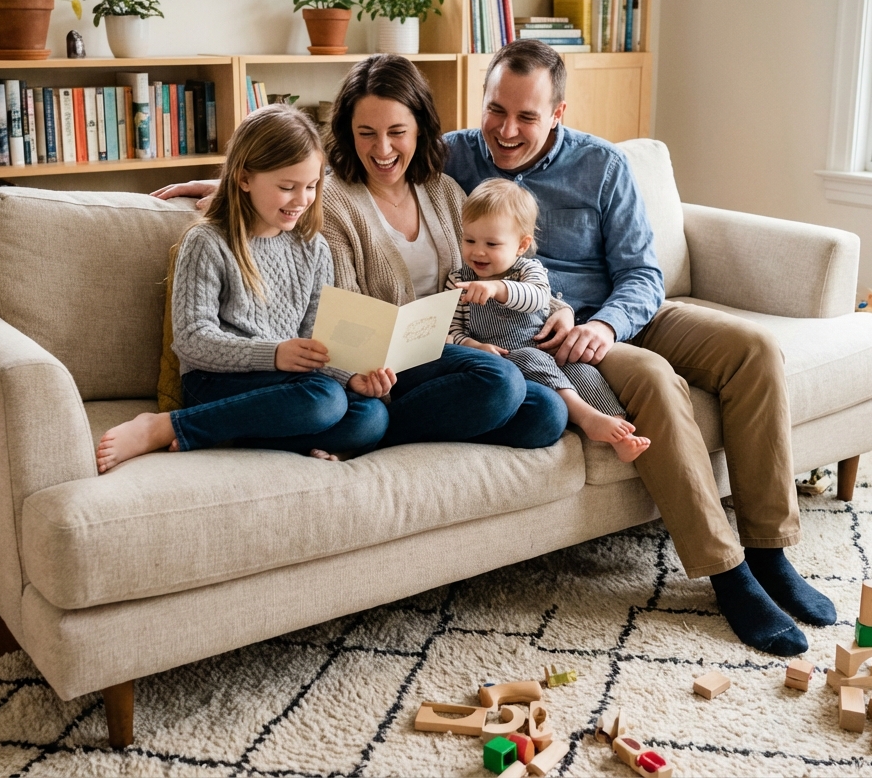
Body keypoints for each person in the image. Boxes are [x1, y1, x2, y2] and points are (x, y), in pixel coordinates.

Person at [443, 39, 837, 656]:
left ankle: (769, 551)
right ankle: (726, 572)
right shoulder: (454, 159)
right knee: (654, 378)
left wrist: (608, 324)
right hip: (548, 336)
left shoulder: (601, 166)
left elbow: (643, 275)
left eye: (527, 116)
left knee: (754, 348)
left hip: (618, 317)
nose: (507, 129)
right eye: (496, 110)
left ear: (559, 114)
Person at [97, 105, 391, 472]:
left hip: (286, 384)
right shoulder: (208, 241)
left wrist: (352, 376)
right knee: (324, 400)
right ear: (244, 178)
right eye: (287, 187)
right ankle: (167, 426)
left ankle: (235, 432)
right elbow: (192, 340)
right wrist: (273, 354)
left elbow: (315, 346)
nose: (302, 200)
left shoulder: (314, 249)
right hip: (215, 380)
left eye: (312, 186)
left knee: (372, 416)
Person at [319, 54, 568, 449]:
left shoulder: (445, 191)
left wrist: (559, 310)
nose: (382, 149)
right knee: (501, 382)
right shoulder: (332, 204)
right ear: (348, 133)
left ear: (420, 129)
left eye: (397, 131)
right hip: (387, 365)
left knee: (547, 414)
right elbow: (341, 316)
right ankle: (366, 435)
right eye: (366, 133)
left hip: (452, 353)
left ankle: (397, 426)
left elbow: (495, 269)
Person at [445, 179, 650, 463]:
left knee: (584, 371)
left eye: (492, 244)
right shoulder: (458, 281)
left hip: (547, 349)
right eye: (469, 241)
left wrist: (497, 288)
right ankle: (588, 419)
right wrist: (473, 345)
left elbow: (538, 299)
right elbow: (450, 330)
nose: (478, 252)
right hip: (509, 359)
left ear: (521, 245)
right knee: (532, 359)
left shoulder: (528, 270)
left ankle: (618, 432)